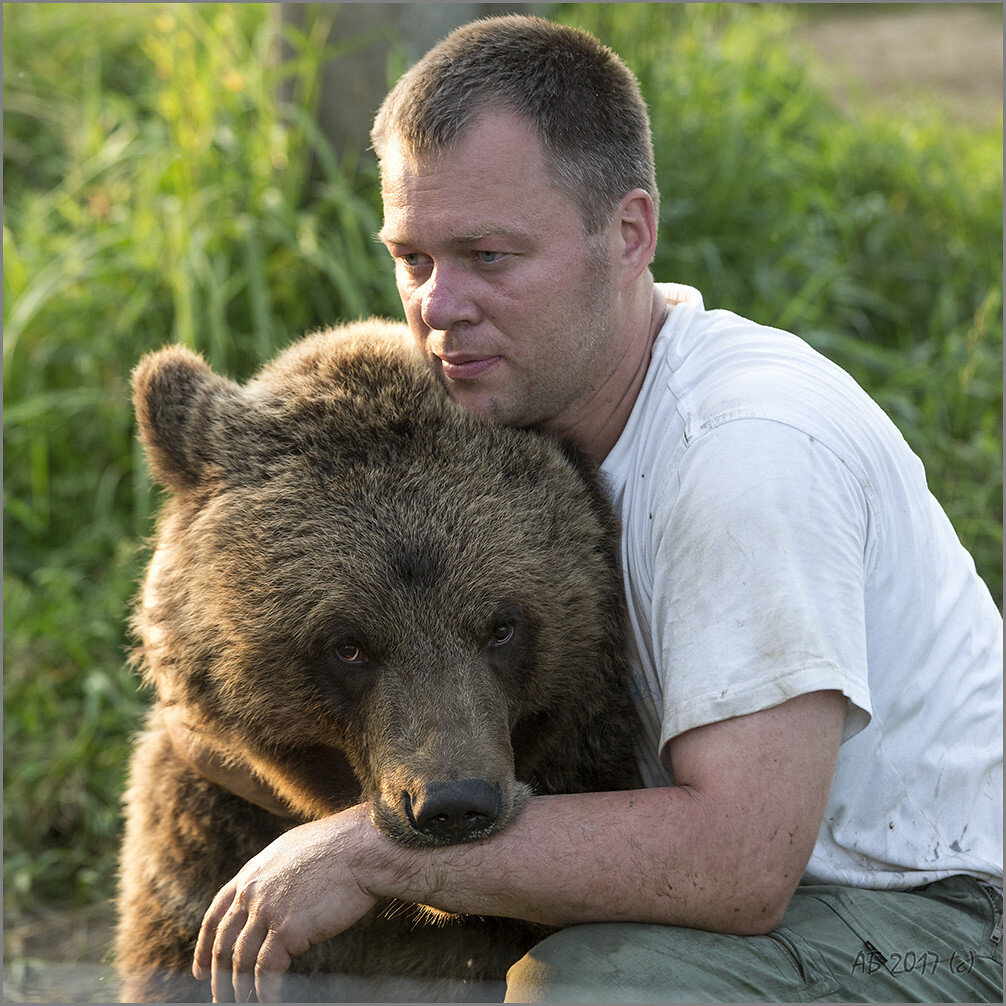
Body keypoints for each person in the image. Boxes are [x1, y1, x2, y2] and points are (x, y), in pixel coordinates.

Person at [167, 15, 1002, 1003]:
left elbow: (736, 865)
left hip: (931, 921)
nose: (437, 306)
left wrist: (368, 850)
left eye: (488, 255)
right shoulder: (528, 413)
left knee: (598, 986)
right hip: (768, 897)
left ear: (629, 232)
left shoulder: (744, 453)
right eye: (414, 260)